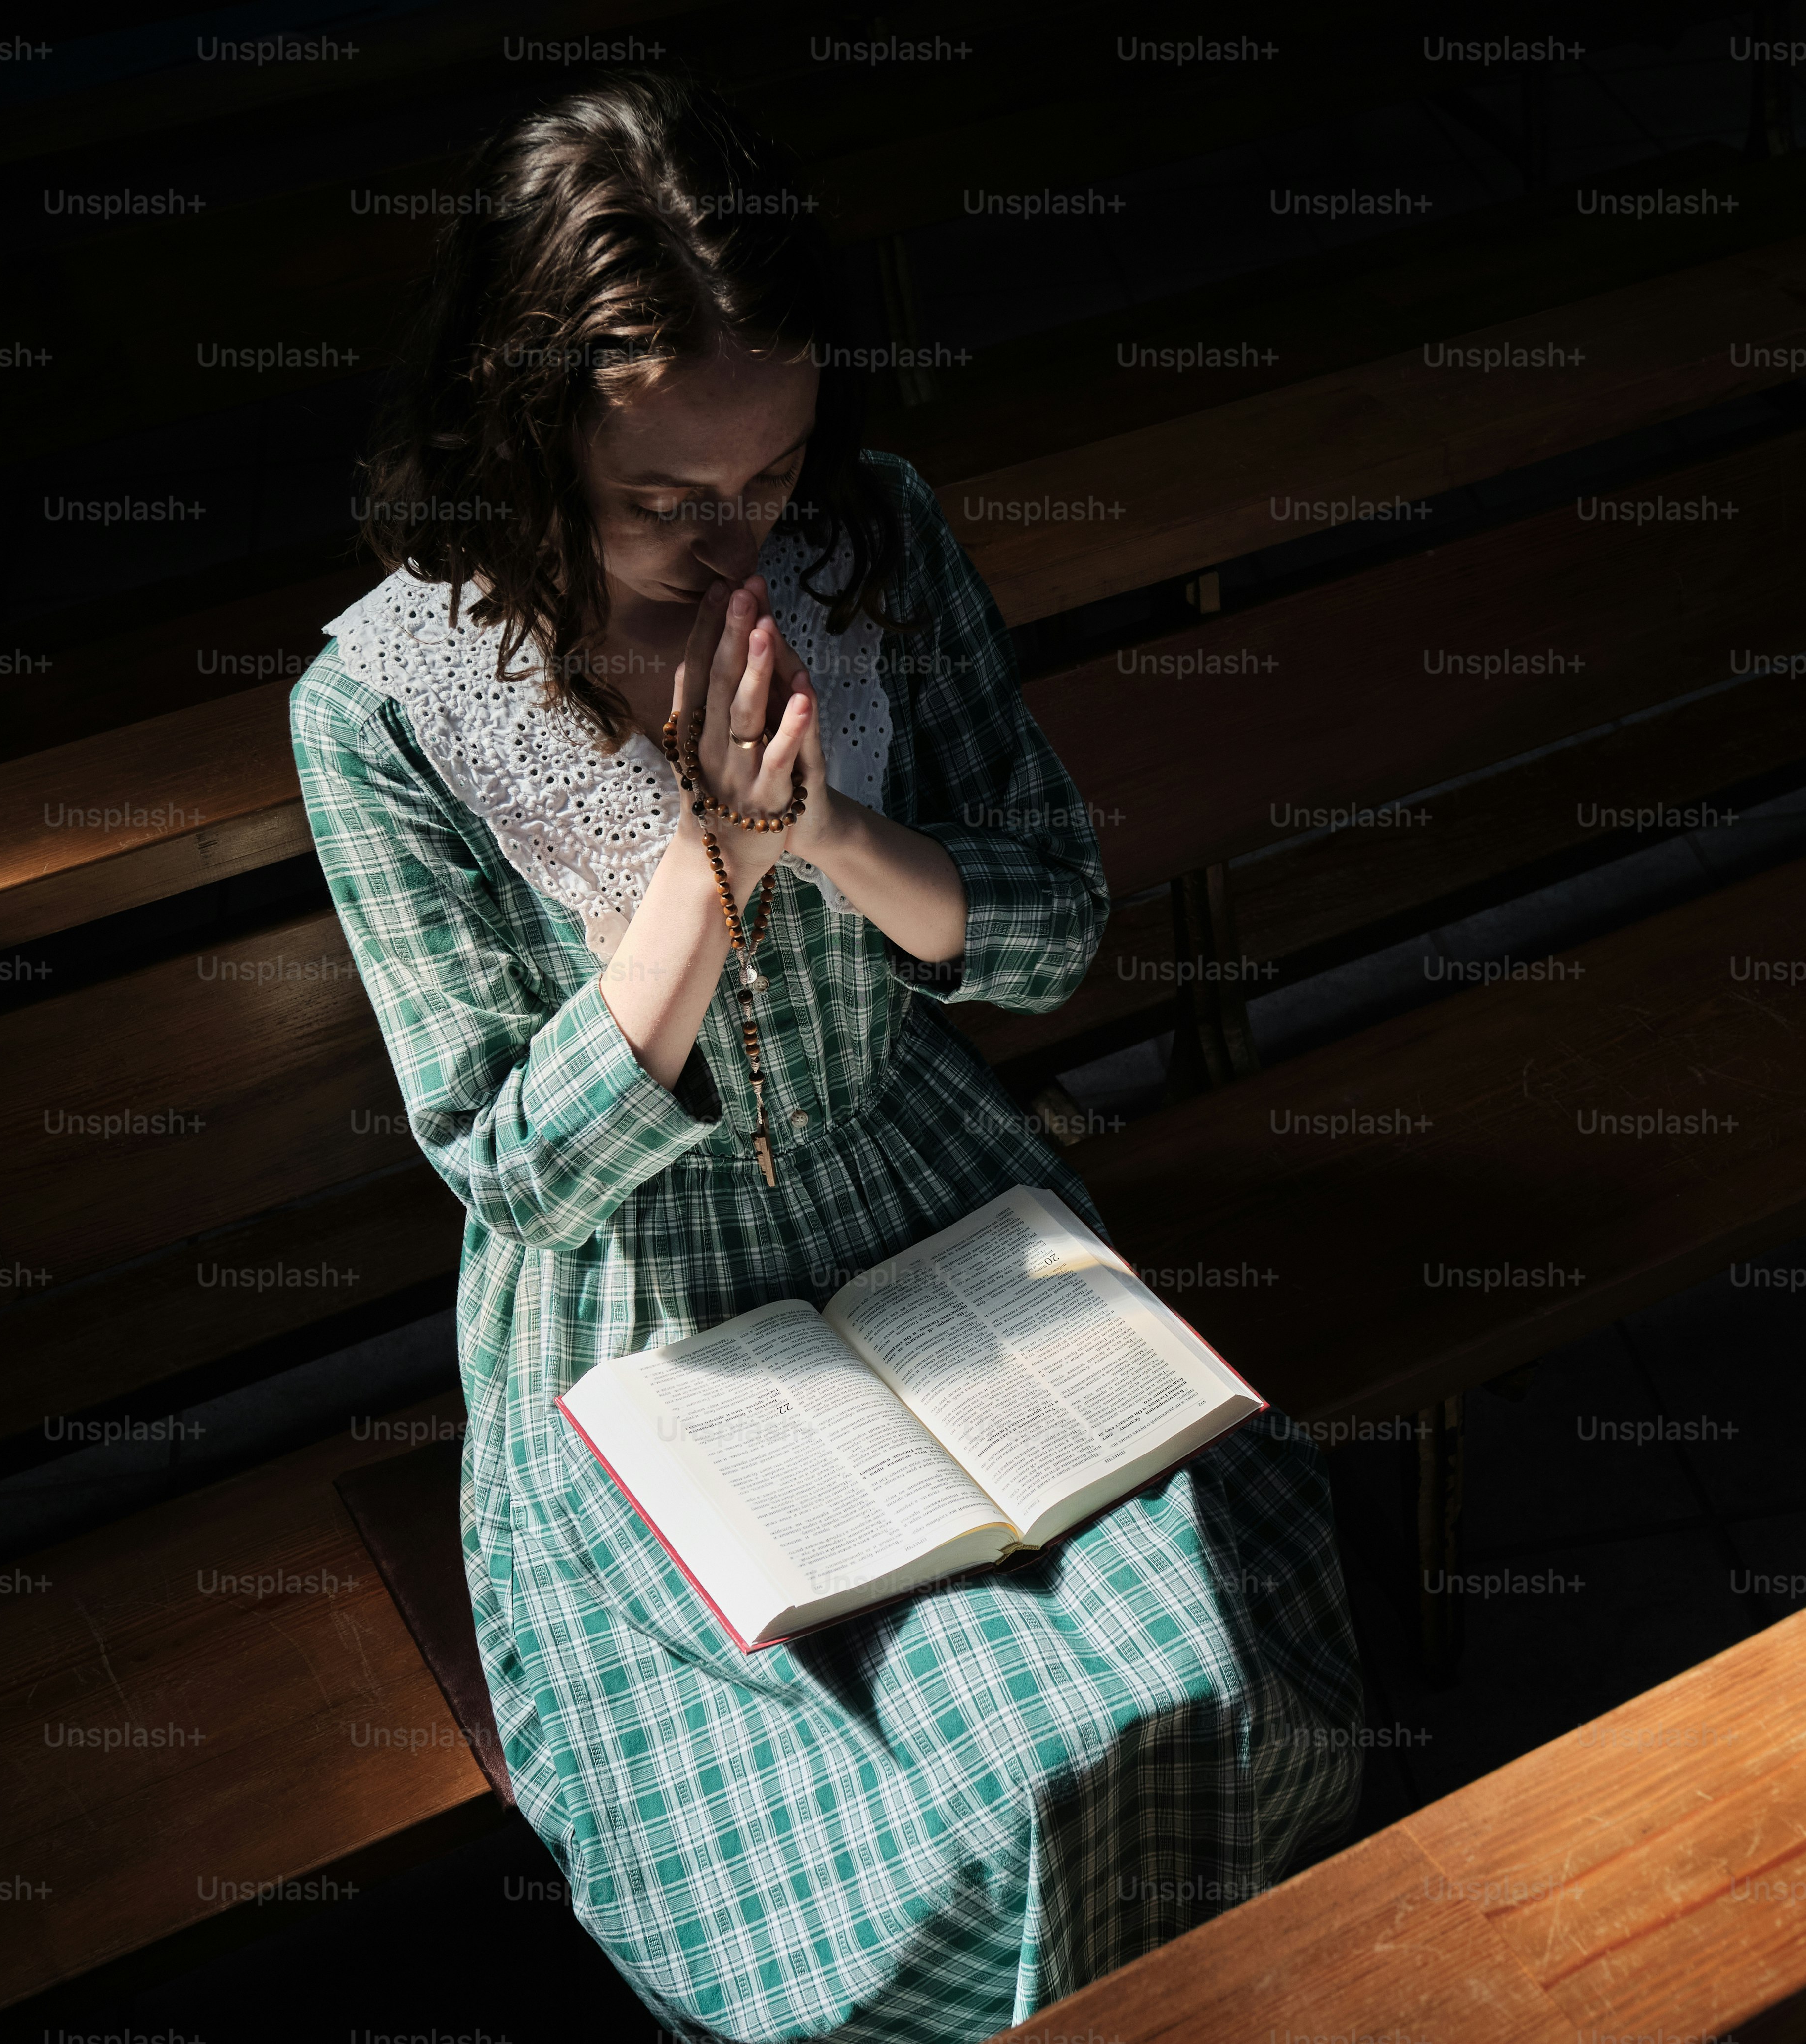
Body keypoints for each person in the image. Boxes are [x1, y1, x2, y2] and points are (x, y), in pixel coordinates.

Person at [288, 69, 1363, 2044]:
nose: (734, 547)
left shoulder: (874, 544)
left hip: (928, 1189)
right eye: (661, 499)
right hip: (642, 1317)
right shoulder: (388, 705)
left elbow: (1049, 920)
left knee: (1169, 1681)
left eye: (769, 475)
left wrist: (830, 833)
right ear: (519, 434)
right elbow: (512, 1167)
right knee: (974, 1788)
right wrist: (702, 873)